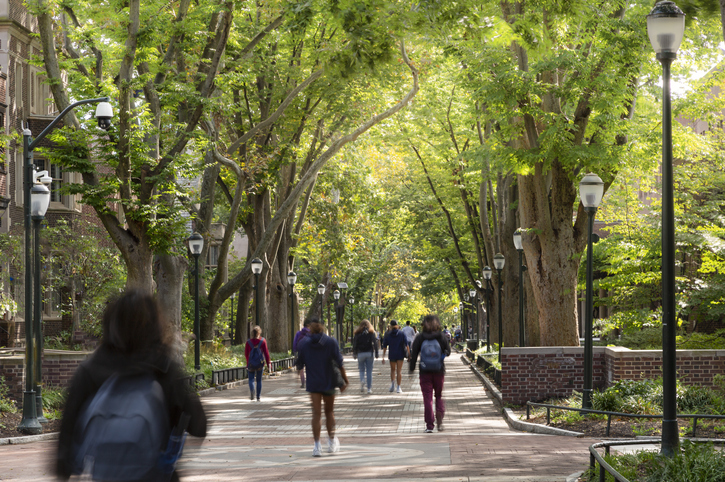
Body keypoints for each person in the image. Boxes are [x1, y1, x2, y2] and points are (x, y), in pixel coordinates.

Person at [56, 289, 207, 481]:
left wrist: (66, 469)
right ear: (153, 325)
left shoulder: (91, 369)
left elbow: (66, 440)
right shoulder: (163, 368)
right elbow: (199, 425)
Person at [296, 317, 349, 457]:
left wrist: (300, 375)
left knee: (316, 414)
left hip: (313, 382)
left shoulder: (304, 343)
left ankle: (317, 446)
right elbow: (339, 362)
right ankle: (331, 442)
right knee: (329, 412)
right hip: (329, 381)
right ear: (322, 326)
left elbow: (299, 364)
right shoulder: (331, 342)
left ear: (310, 327)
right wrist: (345, 380)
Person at [409, 314, 451, 433]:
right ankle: (440, 414)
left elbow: (414, 354)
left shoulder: (420, 337)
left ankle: (429, 425)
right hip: (439, 370)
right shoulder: (441, 336)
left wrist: (411, 369)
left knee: (427, 398)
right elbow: (448, 352)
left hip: (425, 371)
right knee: (438, 395)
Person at [245, 326, 272, 401]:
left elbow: (246, 354)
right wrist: (268, 363)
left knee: (251, 379)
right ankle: (258, 396)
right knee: (259, 380)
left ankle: (252, 391)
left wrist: (248, 363)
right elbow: (266, 353)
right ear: (259, 332)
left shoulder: (248, 342)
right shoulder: (263, 341)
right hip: (260, 364)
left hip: (251, 364)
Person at [352, 319, 378, 394]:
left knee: (361, 370)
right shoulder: (371, 333)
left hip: (360, 354)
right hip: (369, 353)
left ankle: (362, 380)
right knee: (369, 371)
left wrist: (354, 353)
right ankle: (369, 388)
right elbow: (375, 343)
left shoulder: (357, 334)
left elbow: (355, 344)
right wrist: (376, 353)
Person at [382, 320, 408, 393]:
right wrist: (409, 354)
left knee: (392, 370)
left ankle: (392, 385)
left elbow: (384, 346)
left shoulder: (388, 334)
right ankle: (398, 387)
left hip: (392, 354)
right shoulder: (402, 333)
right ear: (397, 325)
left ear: (390, 325)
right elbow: (407, 344)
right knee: (399, 371)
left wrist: (383, 356)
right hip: (400, 354)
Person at [293, 319, 312, 388]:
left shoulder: (299, 333)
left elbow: (295, 343)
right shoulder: (311, 333)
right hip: (309, 353)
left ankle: (303, 382)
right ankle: (309, 382)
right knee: (309, 368)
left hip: (300, 353)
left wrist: (295, 352)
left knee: (301, 369)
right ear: (308, 325)